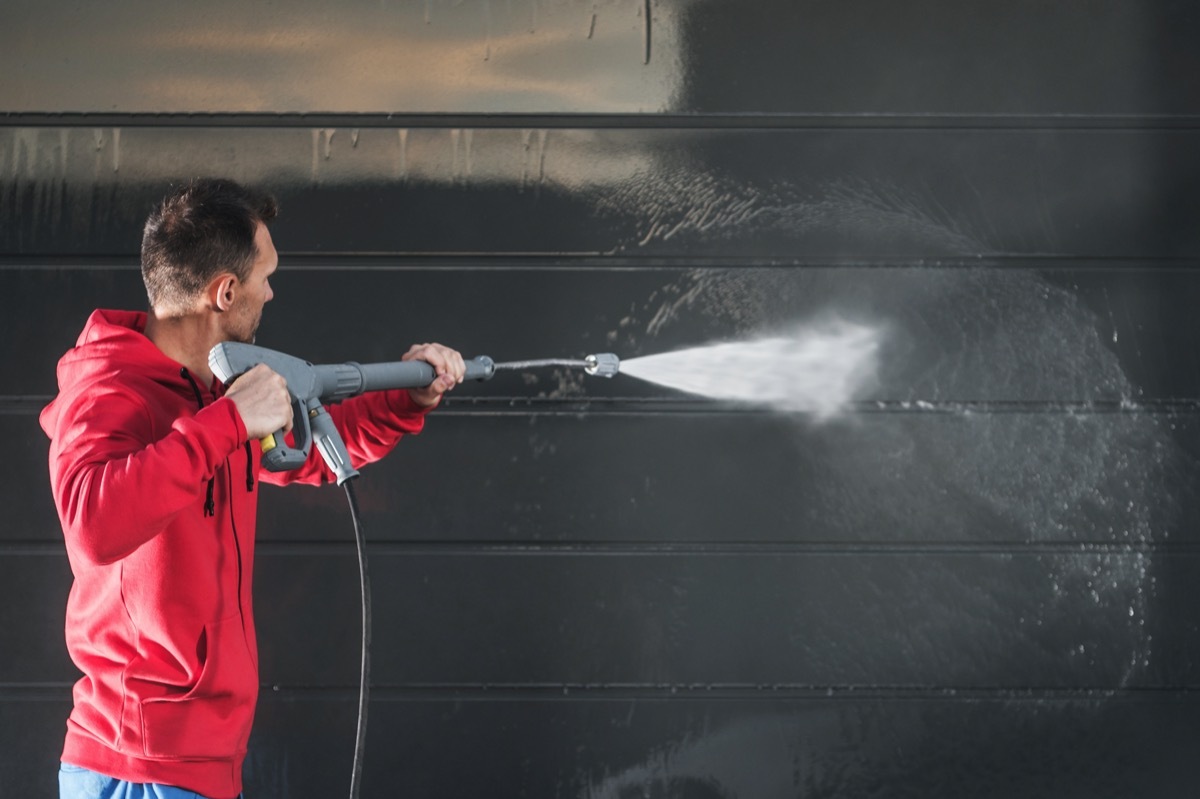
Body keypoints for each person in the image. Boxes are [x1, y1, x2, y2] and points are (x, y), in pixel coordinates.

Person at [40, 178, 466, 799]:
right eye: (265, 275)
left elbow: (310, 452)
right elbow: (92, 526)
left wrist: (408, 399)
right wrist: (229, 422)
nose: (272, 290)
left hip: (204, 761)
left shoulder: (217, 390)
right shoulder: (110, 389)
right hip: (138, 761)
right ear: (225, 292)